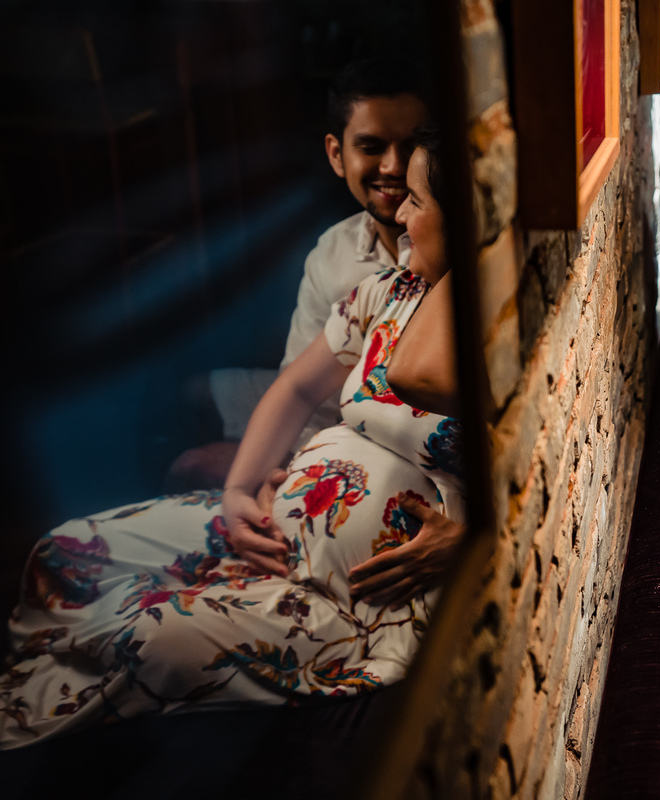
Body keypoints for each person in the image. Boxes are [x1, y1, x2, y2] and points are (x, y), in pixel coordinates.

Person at [0, 129, 464, 748]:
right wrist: (240, 491)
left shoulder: (500, 333)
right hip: (273, 536)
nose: (399, 215)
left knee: (145, 637)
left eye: (417, 201)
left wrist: (469, 536)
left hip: (355, 603)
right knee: (61, 554)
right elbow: (294, 388)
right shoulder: (388, 292)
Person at [166, 57, 430, 490]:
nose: (393, 166)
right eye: (371, 147)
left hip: (373, 428)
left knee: (192, 466)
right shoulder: (333, 251)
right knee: (192, 396)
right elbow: (301, 389)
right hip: (328, 399)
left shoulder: (442, 258)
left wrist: (284, 477)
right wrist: (274, 473)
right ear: (336, 155)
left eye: (411, 147)